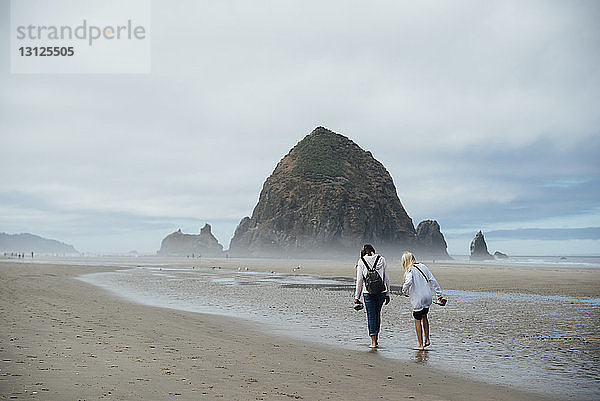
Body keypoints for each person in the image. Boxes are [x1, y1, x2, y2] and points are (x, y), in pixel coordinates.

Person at [401, 251, 445, 350]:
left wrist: (404, 291)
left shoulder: (410, 270)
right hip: (427, 296)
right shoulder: (423, 266)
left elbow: (408, 282)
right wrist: (439, 294)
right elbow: (433, 280)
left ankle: (420, 344)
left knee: (417, 319)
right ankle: (427, 339)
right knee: (424, 316)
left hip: (418, 297)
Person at [354, 244, 391, 348]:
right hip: (381, 292)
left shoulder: (361, 261)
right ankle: (376, 338)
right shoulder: (382, 259)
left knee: (371, 316)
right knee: (377, 315)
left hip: (368, 292)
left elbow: (360, 281)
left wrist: (357, 297)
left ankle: (373, 342)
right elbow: (386, 278)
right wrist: (387, 293)